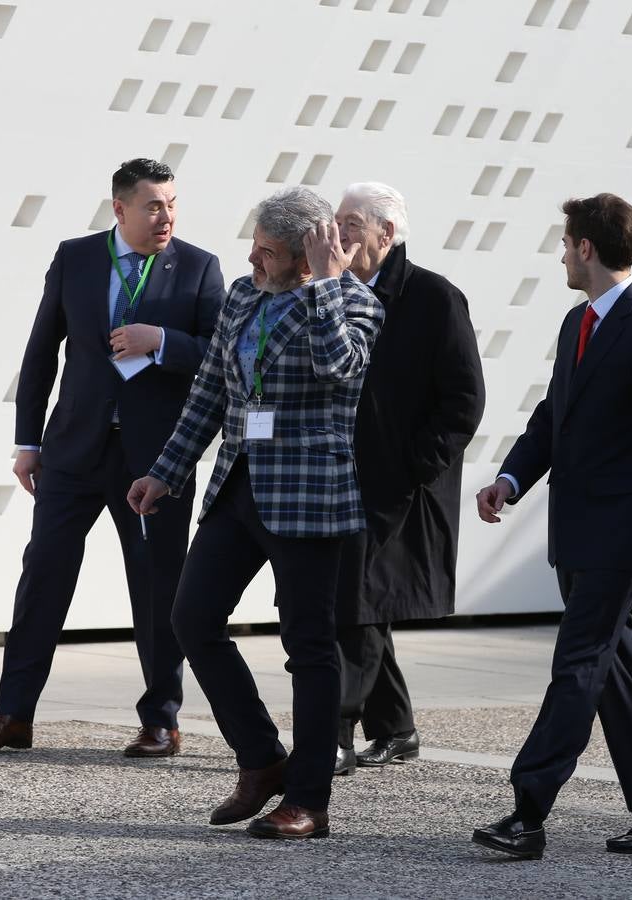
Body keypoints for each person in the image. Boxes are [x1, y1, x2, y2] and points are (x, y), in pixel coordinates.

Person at [127, 186, 383, 840]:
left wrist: (327, 285)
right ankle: (262, 757)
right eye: (254, 245)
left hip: (307, 495)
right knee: (191, 618)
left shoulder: (355, 301)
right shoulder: (244, 296)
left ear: (304, 256)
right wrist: (165, 471)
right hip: (238, 485)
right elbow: (211, 389)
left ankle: (309, 800)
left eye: (266, 251)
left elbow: (340, 368)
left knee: (309, 646)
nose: (251, 259)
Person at [0, 159, 224, 757]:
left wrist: (162, 343)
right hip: (72, 451)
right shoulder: (75, 257)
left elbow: (220, 355)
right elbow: (41, 351)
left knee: (157, 587)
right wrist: (28, 441)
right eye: (153, 206)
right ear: (120, 208)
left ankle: (161, 721)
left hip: (156, 462)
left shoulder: (199, 267)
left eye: (172, 204)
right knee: (43, 576)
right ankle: (13, 715)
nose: (166, 217)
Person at [470, 193, 632, 859]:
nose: (561, 258)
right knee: (613, 668)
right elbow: (555, 415)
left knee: (577, 663)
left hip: (617, 536)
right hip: (574, 531)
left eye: (565, 245)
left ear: (586, 249)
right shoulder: (579, 321)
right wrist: (511, 479)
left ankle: (528, 811)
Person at [330, 183, 485, 776]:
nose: (338, 232)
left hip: (403, 487)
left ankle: (334, 732)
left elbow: (464, 401)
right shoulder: (334, 292)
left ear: (386, 233)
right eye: (337, 220)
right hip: (345, 478)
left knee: (359, 604)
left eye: (351, 222)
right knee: (366, 599)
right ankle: (397, 728)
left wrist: (414, 466)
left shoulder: (434, 298)